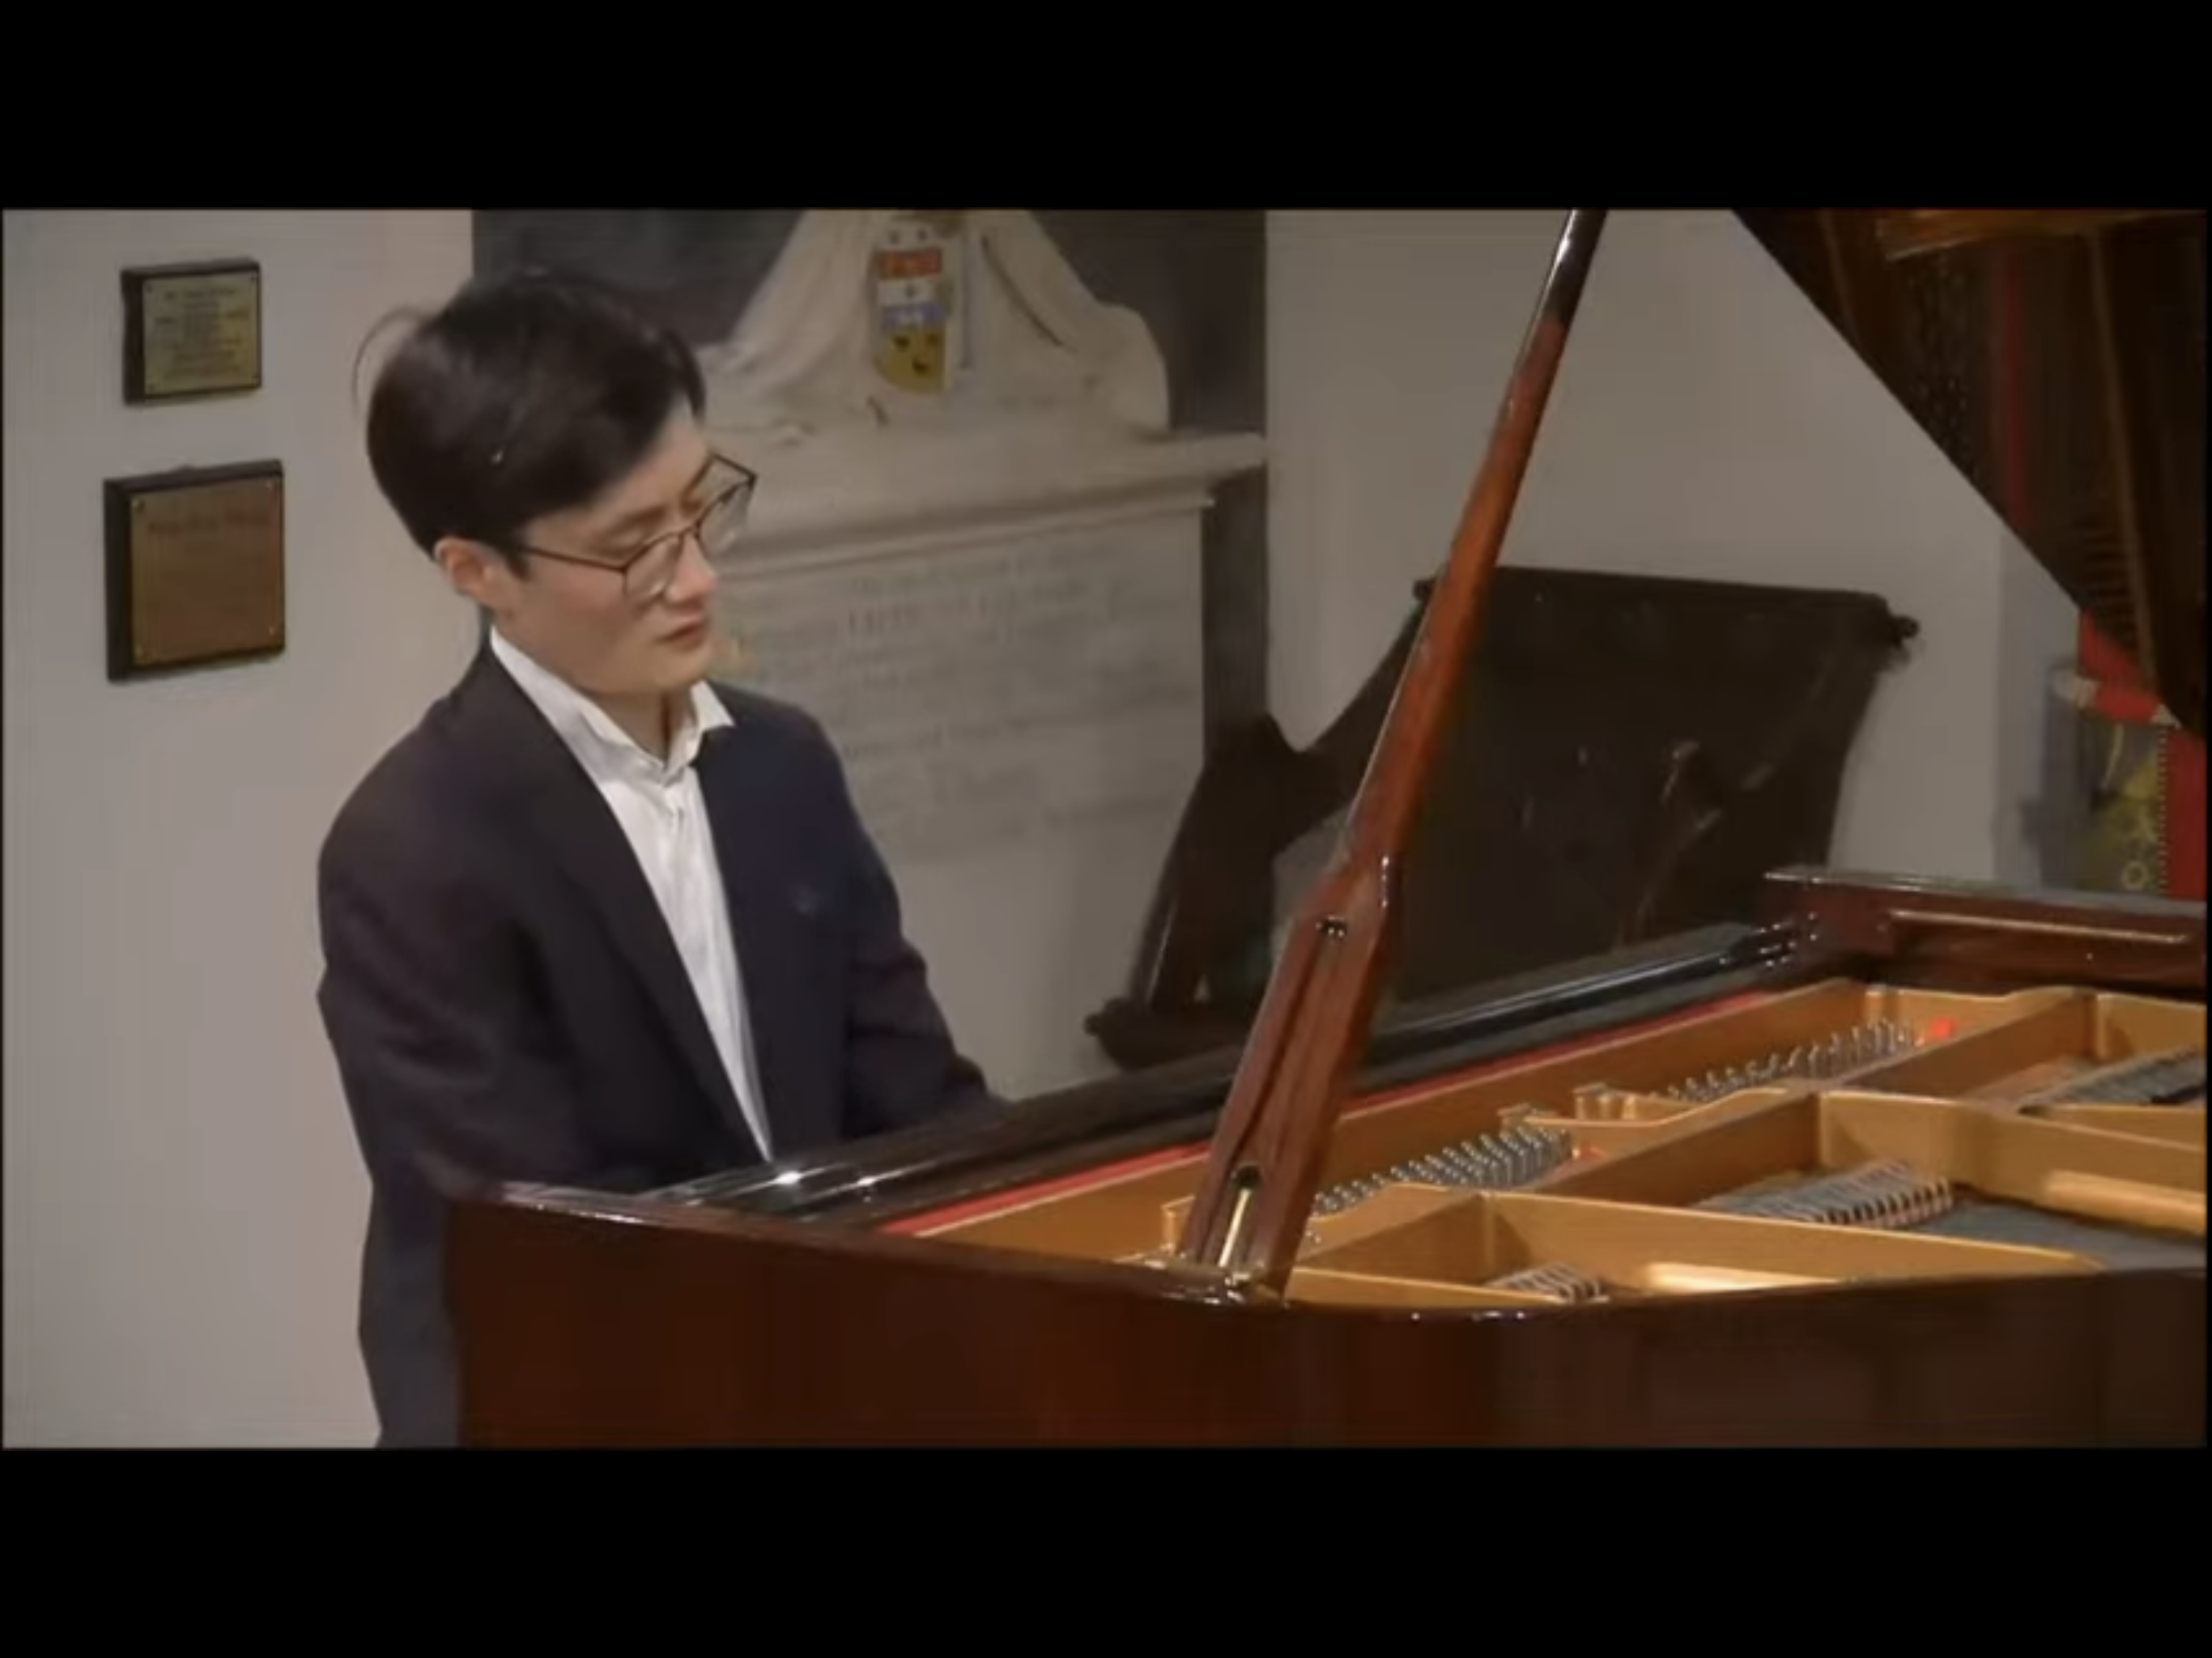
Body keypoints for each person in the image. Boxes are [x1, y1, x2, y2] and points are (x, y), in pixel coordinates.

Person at [317, 269, 1001, 1447]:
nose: (696, 578)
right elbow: (551, 1256)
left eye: (698, 508)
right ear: (478, 573)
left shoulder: (783, 766)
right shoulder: (414, 850)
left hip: (793, 1375)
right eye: (633, 547)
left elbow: (918, 1107)